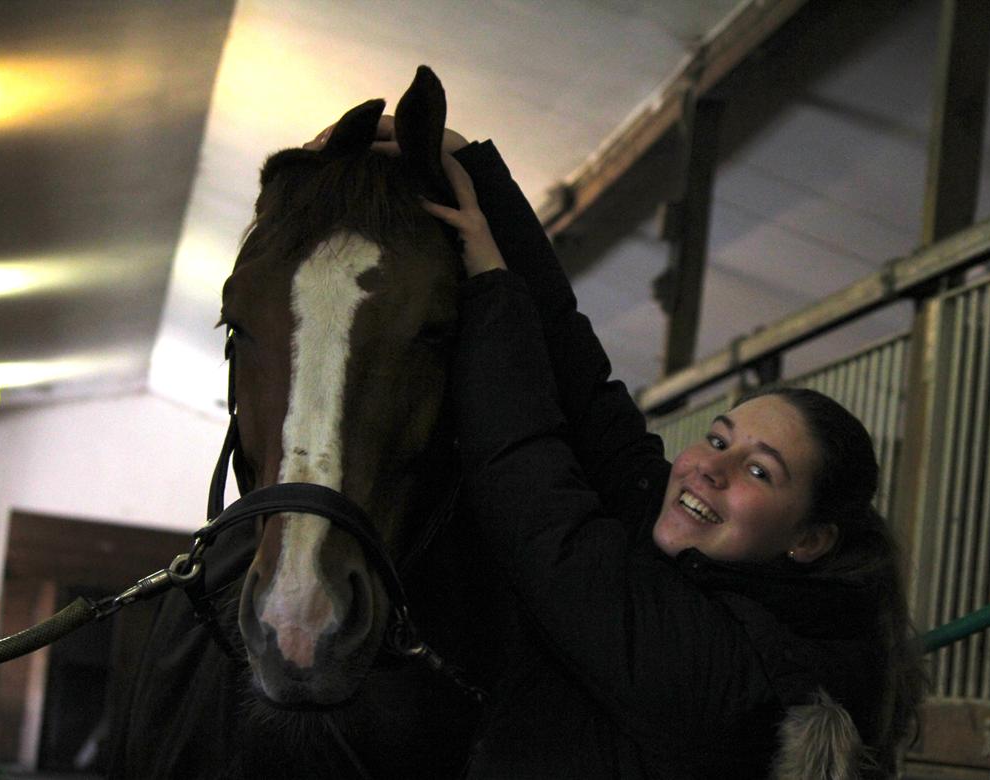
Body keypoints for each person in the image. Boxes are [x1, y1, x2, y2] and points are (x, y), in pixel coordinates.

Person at [314, 119, 924, 778]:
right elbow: (589, 395)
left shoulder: (733, 676)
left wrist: (492, 287)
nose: (710, 468)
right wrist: (474, 169)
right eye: (718, 439)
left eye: (758, 470)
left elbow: (539, 513)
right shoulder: (711, 569)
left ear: (809, 539)